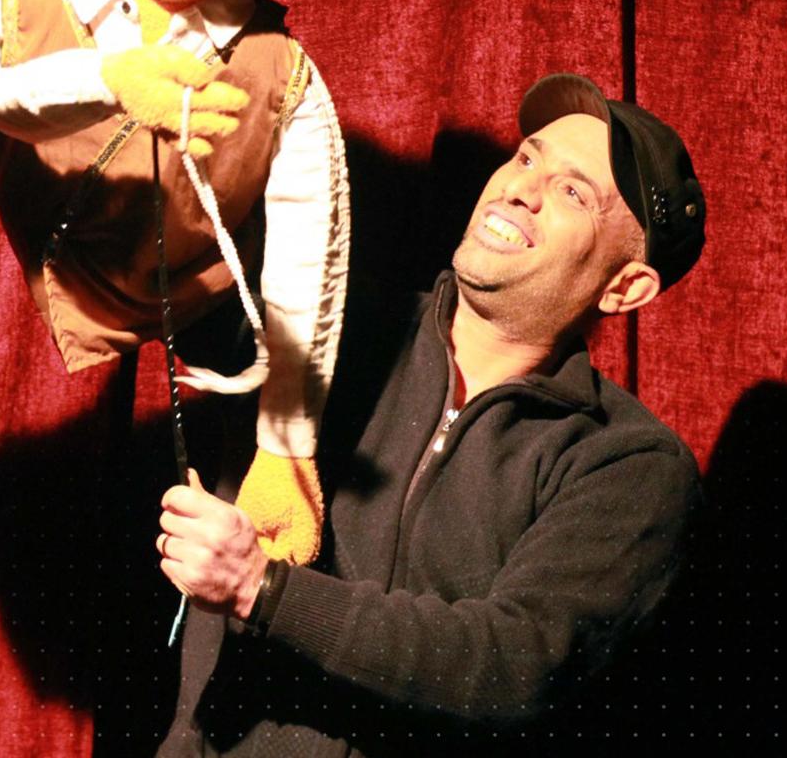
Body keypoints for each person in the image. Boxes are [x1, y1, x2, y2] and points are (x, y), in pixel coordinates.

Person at [154, 71, 707, 755]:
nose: (520, 189)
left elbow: (515, 665)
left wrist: (262, 591)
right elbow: (170, 281)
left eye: (573, 193)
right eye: (526, 157)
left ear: (625, 288)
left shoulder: (628, 464)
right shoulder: (329, 322)